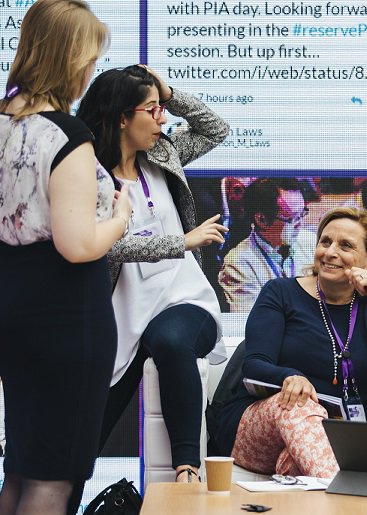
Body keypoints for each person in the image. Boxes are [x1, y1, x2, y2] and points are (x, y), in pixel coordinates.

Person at [0, 1, 132, 514]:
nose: (92, 71)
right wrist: (120, 216)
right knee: (53, 476)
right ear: (71, 59)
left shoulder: (5, 121)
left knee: (23, 466)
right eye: (91, 59)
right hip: (65, 314)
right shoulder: (67, 135)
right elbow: (77, 245)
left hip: (14, 303)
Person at [76, 65, 229, 483]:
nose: (162, 117)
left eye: (162, 108)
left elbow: (216, 129)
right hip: (121, 313)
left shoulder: (162, 154)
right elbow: (102, 245)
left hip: (183, 299)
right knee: (80, 445)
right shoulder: (87, 176)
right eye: (152, 109)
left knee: (172, 340)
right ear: (123, 118)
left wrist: (169, 92)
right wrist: (182, 241)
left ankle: (187, 470)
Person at [212, 207, 367, 477]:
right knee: (299, 405)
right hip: (260, 426)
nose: (330, 252)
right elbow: (254, 364)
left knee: (295, 464)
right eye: (325, 242)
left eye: (345, 246)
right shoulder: (280, 293)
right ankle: (353, 493)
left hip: (330, 434)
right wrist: (290, 377)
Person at [218, 178, 317, 313]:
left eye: (302, 214)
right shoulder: (238, 264)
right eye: (292, 219)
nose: (300, 224)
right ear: (262, 220)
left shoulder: (311, 242)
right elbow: (253, 321)